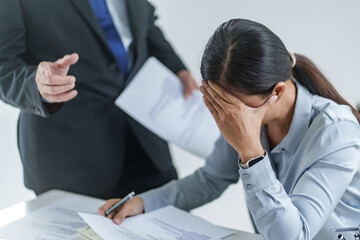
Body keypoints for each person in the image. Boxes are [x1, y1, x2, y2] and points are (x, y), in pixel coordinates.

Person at [98, 19, 360, 240]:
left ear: (277, 91)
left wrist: (251, 152)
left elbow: (293, 235)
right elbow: (210, 179)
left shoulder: (336, 131)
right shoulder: (245, 114)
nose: (225, 117)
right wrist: (143, 203)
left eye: (229, 107)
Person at [0, 0, 197, 199]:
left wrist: (176, 67)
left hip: (146, 145)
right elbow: (3, 65)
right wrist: (39, 86)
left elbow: (143, 25)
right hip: (71, 159)